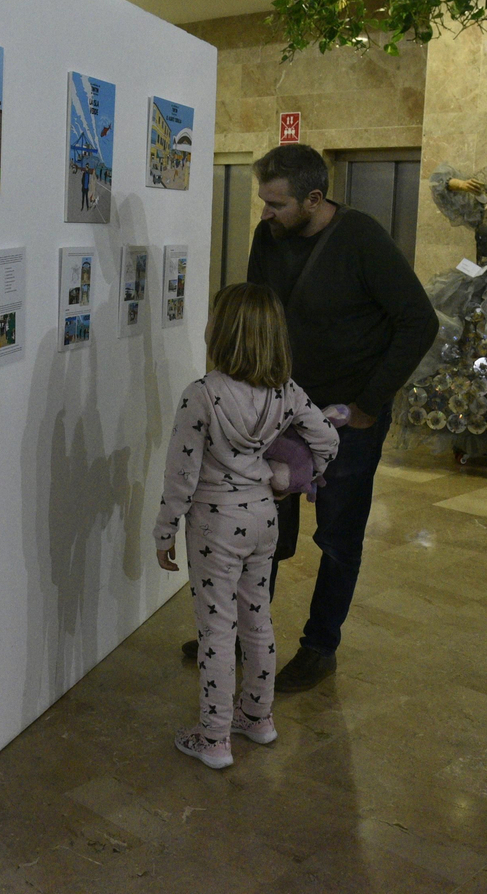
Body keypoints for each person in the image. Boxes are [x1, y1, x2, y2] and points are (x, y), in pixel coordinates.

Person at [181, 144, 438, 693]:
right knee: (263, 526)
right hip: (278, 409)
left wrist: (369, 404)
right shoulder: (268, 235)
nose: (265, 213)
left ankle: (320, 648)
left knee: (339, 538)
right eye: (264, 201)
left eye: (276, 203)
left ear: (315, 199)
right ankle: (243, 635)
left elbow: (419, 321)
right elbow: (259, 315)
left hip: (346, 419)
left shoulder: (362, 239)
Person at [155, 283, 340, 768]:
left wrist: (164, 530)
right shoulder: (286, 392)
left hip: (214, 526)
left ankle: (214, 737)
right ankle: (257, 717)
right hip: (263, 517)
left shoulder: (201, 395)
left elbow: (181, 475)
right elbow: (327, 440)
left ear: (222, 333)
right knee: (257, 618)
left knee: (217, 631)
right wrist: (295, 480)